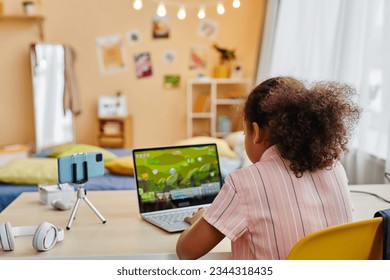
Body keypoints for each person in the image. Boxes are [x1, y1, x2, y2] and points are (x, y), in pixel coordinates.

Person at [176, 76, 361, 260]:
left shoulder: (244, 182)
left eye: (244, 131)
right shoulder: (335, 169)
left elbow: (186, 251)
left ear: (256, 132)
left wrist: (199, 218)